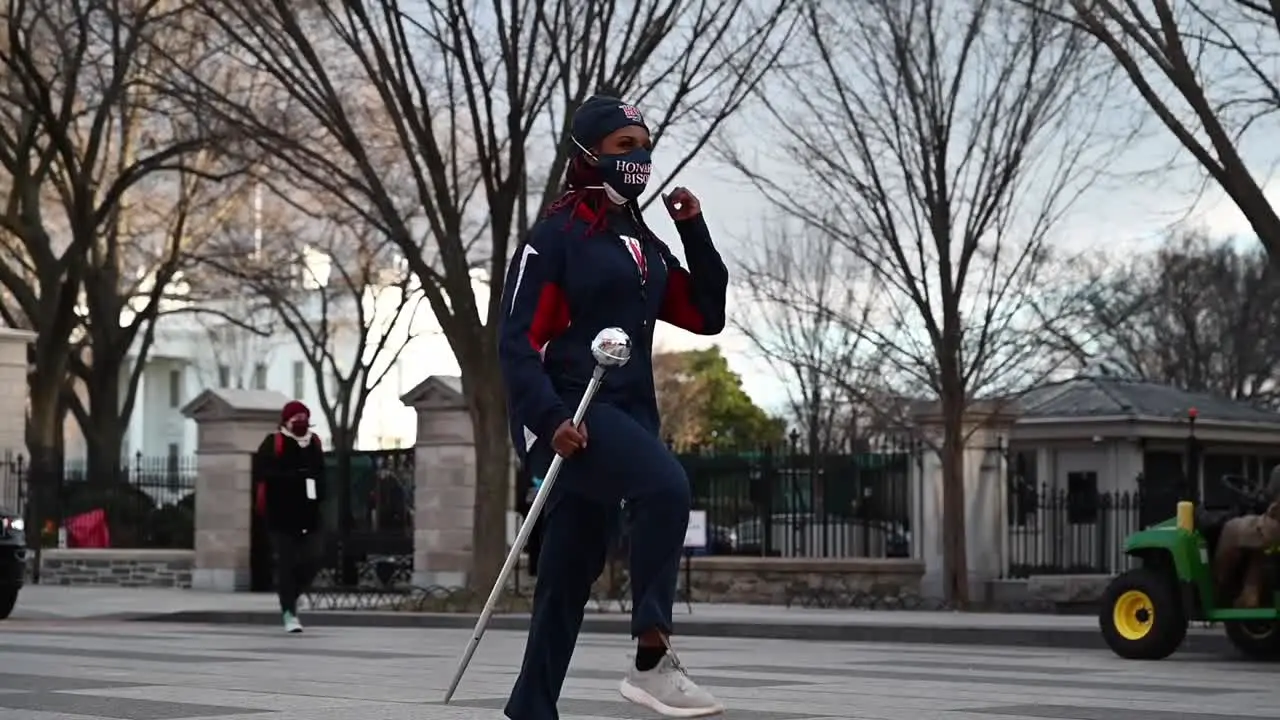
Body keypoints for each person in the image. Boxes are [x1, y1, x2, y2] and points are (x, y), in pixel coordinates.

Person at [498, 93, 728, 719]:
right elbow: (516, 342)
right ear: (587, 154)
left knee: (567, 579)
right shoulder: (554, 238)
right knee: (666, 487)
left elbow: (706, 313)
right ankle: (651, 659)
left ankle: (529, 709)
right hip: (577, 412)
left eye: (646, 146)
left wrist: (693, 228)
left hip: (631, 413)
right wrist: (548, 423)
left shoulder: (643, 244)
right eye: (625, 146)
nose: (641, 158)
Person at [252, 400, 326, 633]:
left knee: (313, 559)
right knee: (286, 563)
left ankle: (292, 596)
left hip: (309, 515)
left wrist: (317, 490)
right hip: (280, 516)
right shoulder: (274, 442)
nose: (301, 423)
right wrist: (294, 478)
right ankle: (289, 613)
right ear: (286, 421)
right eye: (296, 419)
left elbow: (321, 473)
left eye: (304, 418)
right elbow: (263, 473)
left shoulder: (313, 442)